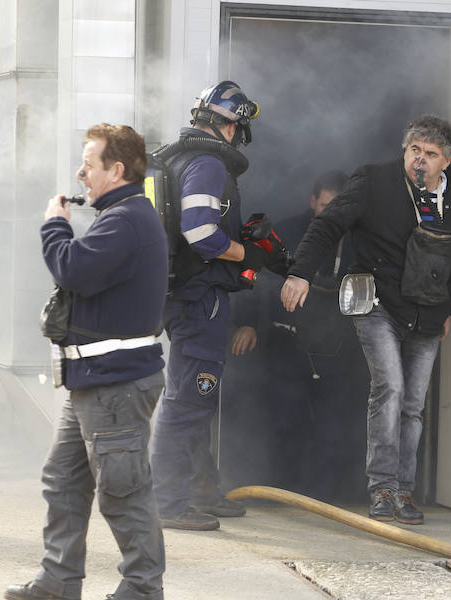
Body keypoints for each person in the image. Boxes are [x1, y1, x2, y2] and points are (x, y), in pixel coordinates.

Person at [281, 115, 451, 525]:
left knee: (413, 404)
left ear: (448, 161)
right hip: (376, 301)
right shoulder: (373, 180)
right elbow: (328, 224)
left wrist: (448, 307)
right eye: (414, 151)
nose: (420, 160)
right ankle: (382, 487)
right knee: (390, 388)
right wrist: (300, 272)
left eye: (431, 154)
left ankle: (404, 491)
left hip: (427, 307)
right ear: (405, 150)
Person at [6, 124, 168, 600]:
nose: (80, 174)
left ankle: (141, 590)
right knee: (64, 481)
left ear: (116, 170)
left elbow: (72, 269)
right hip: (95, 383)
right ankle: (58, 581)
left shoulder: (126, 221)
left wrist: (54, 224)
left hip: (114, 386)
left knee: (123, 491)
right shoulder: (121, 216)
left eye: (89, 165)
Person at [150, 81, 282, 531]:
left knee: (195, 397)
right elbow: (201, 234)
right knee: (190, 398)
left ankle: (200, 489)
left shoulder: (181, 159)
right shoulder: (207, 163)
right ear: (233, 126)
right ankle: (167, 502)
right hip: (199, 297)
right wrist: (249, 255)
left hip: (187, 295)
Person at [262, 170, 368, 501]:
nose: (332, 214)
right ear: (313, 202)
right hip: (288, 340)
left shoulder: (361, 238)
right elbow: (259, 282)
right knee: (287, 420)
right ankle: (283, 494)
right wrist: (248, 323)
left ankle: (326, 496)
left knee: (334, 424)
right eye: (325, 206)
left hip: (339, 344)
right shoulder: (288, 231)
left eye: (338, 207)